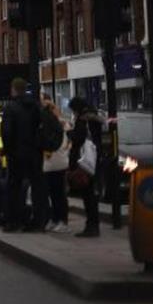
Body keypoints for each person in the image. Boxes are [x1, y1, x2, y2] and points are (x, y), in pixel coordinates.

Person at [0, 77, 49, 232]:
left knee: (14, 187)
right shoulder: (35, 106)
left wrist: (6, 150)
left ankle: (14, 221)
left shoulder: (10, 107)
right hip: (34, 153)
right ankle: (38, 221)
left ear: (13, 89)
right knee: (37, 187)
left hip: (16, 153)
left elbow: (7, 132)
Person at [68, 96, 103, 238]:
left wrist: (69, 132)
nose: (73, 114)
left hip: (84, 162)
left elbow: (78, 139)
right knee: (91, 195)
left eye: (73, 111)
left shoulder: (83, 120)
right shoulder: (94, 118)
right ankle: (93, 225)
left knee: (88, 196)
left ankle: (92, 226)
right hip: (93, 160)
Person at [40, 96, 72, 233]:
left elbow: (66, 142)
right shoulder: (60, 123)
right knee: (55, 193)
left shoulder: (60, 124)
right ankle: (56, 219)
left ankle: (61, 220)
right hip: (56, 161)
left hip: (55, 161)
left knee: (57, 193)